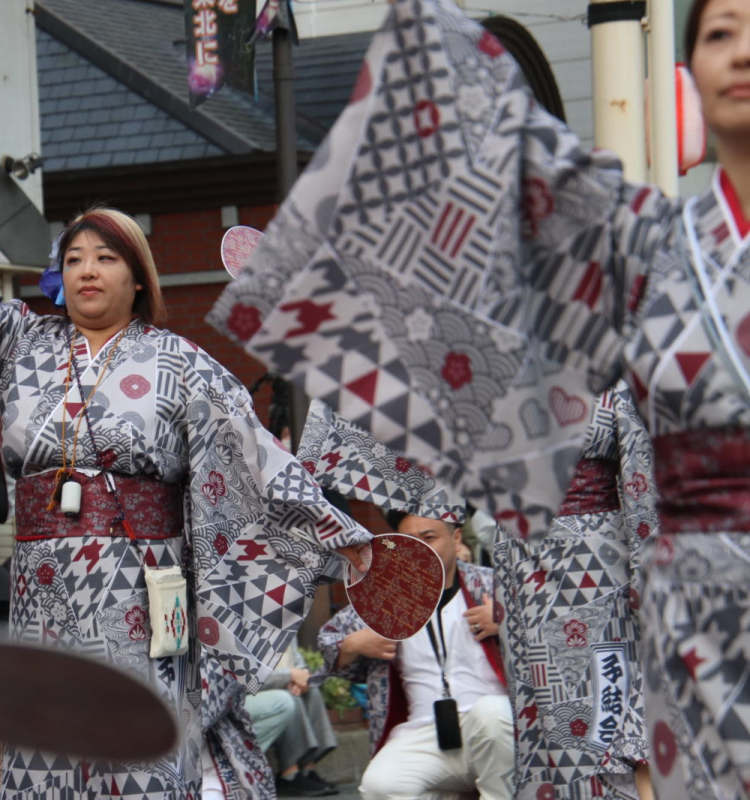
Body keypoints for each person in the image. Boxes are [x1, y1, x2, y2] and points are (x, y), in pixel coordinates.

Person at [210, 0, 750, 794]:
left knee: (610, 760)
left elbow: (654, 458)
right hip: (538, 580)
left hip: (629, 569)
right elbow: (398, 452)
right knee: (557, 766)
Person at [0, 178, 371, 799]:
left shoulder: (181, 363)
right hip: (41, 581)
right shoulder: (22, 342)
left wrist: (345, 540)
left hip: (142, 582)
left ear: (138, 277)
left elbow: (255, 463)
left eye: (105, 258)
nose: (86, 272)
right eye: (73, 260)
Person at [492, 385, 658, 800]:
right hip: (520, 562)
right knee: (541, 716)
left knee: (600, 711)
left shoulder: (614, 382)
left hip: (594, 565)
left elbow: (642, 485)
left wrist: (651, 584)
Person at [318, 510, 511, 800]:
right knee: (380, 786)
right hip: (425, 731)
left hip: (492, 728)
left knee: (492, 713)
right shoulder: (385, 598)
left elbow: (546, 636)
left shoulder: (493, 585)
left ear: (456, 538)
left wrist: (505, 624)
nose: (421, 549)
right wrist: (354, 644)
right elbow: (329, 641)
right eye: (410, 541)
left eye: (429, 538)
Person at [243, 642, 339, 797]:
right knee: (287, 694)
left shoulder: (287, 625)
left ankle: (308, 768)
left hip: (274, 687)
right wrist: (289, 676)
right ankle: (289, 774)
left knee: (310, 691)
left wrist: (302, 680)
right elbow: (244, 678)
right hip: (241, 698)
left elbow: (300, 666)